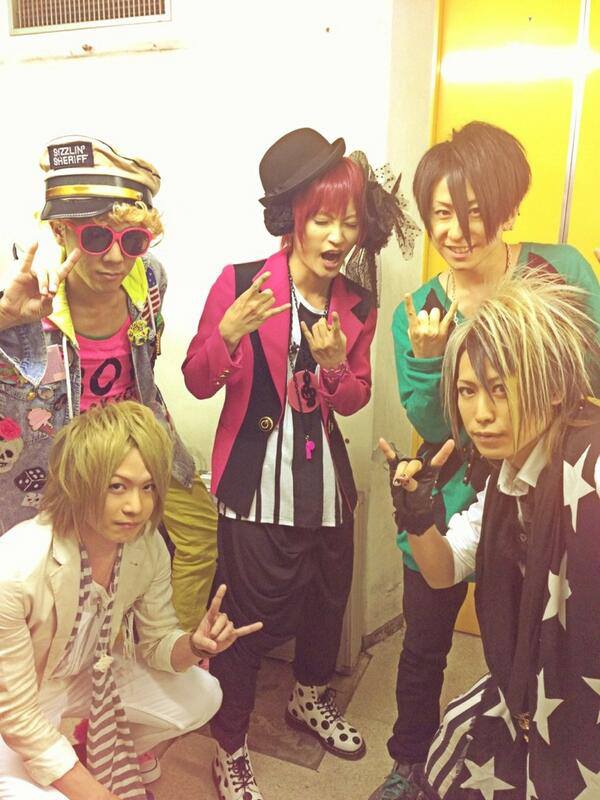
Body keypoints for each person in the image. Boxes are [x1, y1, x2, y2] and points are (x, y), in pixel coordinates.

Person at [182, 127, 417, 800]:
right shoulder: (238, 283)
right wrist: (228, 334)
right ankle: (230, 744)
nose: (338, 236)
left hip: (327, 486)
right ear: (292, 219)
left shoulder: (358, 302)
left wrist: (337, 366)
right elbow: (197, 380)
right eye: (322, 219)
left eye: (350, 221)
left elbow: (354, 399)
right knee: (243, 625)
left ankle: (308, 698)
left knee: (325, 605)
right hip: (254, 486)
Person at [369, 121, 600, 800]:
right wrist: (427, 361)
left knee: (540, 630)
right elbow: (438, 426)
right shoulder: (419, 309)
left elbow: (588, 373)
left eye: (473, 212)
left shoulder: (560, 271)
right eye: (441, 213)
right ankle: (409, 761)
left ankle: (537, 747)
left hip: (558, 482)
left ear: (505, 208)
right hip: (456, 495)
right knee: (424, 644)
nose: (456, 231)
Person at [0, 136, 217, 632]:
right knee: (58, 575)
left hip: (138, 436)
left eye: (133, 241)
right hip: (57, 456)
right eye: (97, 238)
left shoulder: (151, 279)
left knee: (199, 530)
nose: (117, 258)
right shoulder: (26, 289)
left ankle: (164, 647)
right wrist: (5, 320)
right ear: (61, 230)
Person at [0, 401, 263, 800]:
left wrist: (195, 645)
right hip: (16, 702)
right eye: (116, 486)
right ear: (80, 482)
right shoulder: (16, 566)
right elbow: (17, 716)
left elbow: (157, 644)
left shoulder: (146, 546)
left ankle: (96, 757)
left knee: (202, 693)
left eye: (148, 487)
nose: (136, 507)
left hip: (82, 676)